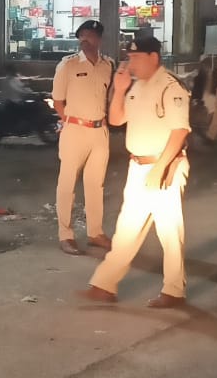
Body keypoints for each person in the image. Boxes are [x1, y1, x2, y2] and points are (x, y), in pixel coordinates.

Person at [78, 35, 192, 309]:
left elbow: (180, 131)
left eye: (137, 58)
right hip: (138, 168)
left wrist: (160, 168)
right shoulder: (136, 87)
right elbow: (117, 119)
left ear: (154, 57)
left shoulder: (171, 87)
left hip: (164, 167)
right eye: (129, 58)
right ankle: (105, 285)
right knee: (127, 228)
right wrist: (119, 90)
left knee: (169, 232)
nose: (131, 63)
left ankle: (174, 291)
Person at [51, 20, 114, 257]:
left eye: (91, 35)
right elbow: (58, 100)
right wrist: (69, 121)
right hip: (75, 130)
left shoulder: (108, 65)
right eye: (82, 35)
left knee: (95, 184)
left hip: (100, 131)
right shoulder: (67, 65)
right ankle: (65, 235)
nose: (86, 39)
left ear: (99, 39)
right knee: (67, 184)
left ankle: (95, 233)